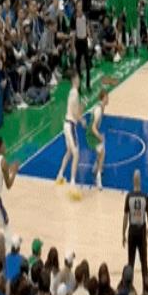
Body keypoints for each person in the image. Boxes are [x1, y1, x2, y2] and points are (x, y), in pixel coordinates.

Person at [56, 71, 86, 201]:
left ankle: (60, 175)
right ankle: (73, 183)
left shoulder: (72, 92)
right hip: (70, 125)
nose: (79, 80)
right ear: (74, 79)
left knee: (69, 151)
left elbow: (75, 110)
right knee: (76, 153)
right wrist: (82, 120)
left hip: (67, 124)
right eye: (78, 78)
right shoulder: (75, 93)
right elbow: (75, 113)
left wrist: (81, 108)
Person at [122, 169, 148, 288]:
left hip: (132, 231)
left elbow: (125, 217)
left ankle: (129, 287)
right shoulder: (145, 196)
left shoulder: (129, 196)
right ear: (140, 181)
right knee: (144, 262)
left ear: (133, 181)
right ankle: (146, 288)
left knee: (131, 261)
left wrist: (123, 233)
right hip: (142, 231)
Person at [86, 89, 109, 190]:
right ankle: (98, 178)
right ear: (103, 98)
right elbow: (93, 127)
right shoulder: (99, 109)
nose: (108, 99)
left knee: (101, 150)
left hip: (92, 132)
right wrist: (99, 136)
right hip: (91, 133)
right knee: (102, 152)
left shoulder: (100, 107)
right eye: (107, 97)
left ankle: (96, 167)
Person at [70, 0, 91, 93]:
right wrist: (73, 47)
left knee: (87, 64)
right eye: (78, 6)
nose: (80, 7)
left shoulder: (85, 15)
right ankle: (79, 87)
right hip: (78, 43)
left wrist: (89, 36)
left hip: (84, 41)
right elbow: (73, 33)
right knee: (78, 65)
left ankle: (88, 84)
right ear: (76, 7)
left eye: (81, 5)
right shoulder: (73, 18)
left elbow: (87, 26)